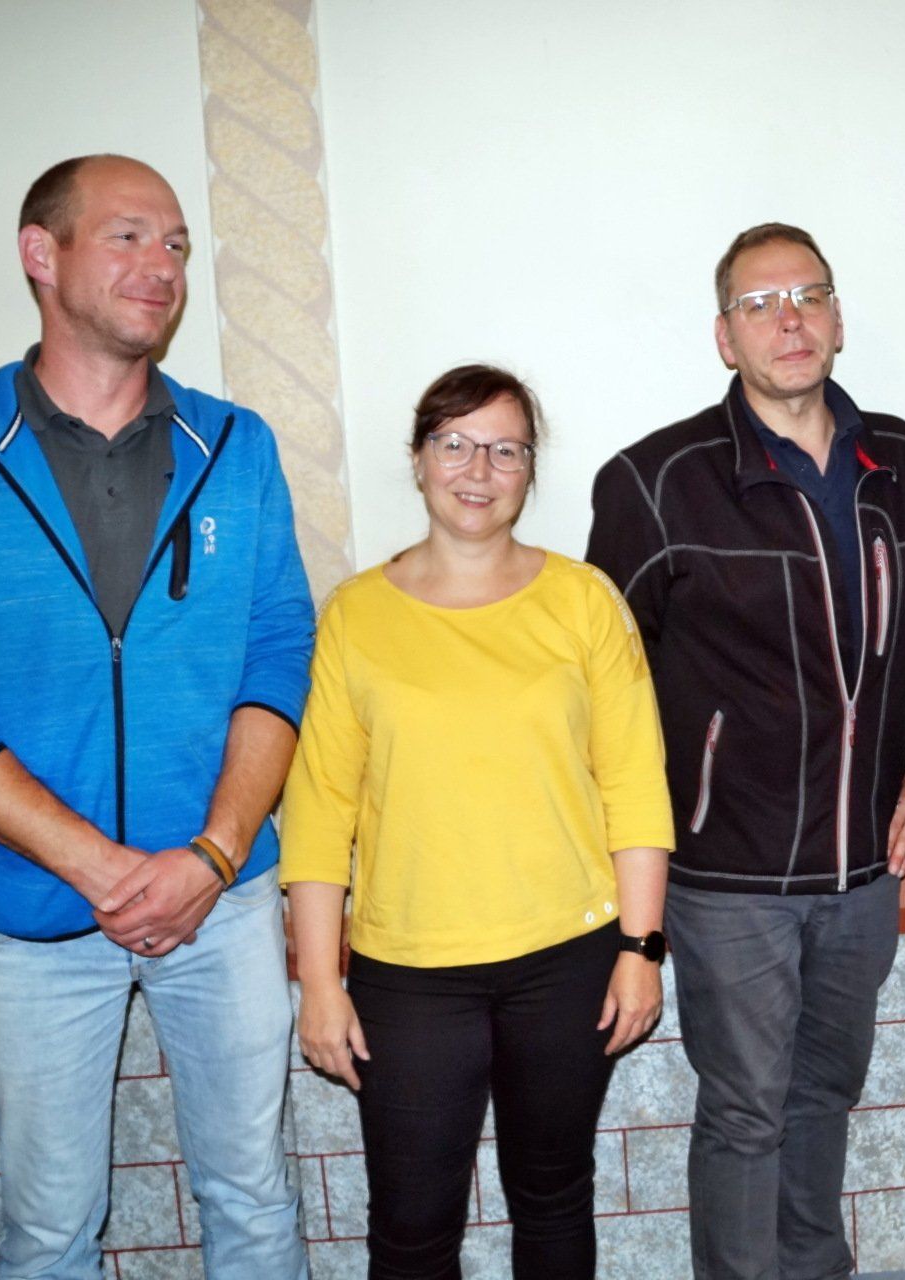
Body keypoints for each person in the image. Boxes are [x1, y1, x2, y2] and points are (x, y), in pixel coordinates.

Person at [0, 154, 313, 1278]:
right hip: (31, 916)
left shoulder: (235, 446)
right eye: (128, 236)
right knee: (51, 1229)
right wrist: (98, 866)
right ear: (40, 253)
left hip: (224, 902)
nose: (162, 264)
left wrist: (212, 855)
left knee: (254, 1199)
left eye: (176, 244)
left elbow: (279, 654)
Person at [585, 223, 905, 1280]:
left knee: (823, 1098)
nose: (788, 319)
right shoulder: (656, 482)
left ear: (838, 319)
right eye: (759, 304)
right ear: (726, 337)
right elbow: (603, 693)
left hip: (865, 872)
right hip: (727, 881)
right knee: (747, 1111)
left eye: (808, 295)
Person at [281, 364, 674, 1279]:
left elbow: (635, 786)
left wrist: (641, 949)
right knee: (412, 1227)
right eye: (454, 444)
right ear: (419, 459)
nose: (478, 469)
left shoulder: (584, 601)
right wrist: (319, 982)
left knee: (554, 1198)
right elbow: (319, 810)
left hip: (569, 960)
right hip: (409, 975)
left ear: (530, 471)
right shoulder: (356, 617)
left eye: (506, 450)